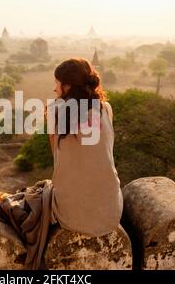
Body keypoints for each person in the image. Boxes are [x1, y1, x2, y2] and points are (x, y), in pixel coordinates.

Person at [49, 58, 123, 237]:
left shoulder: (54, 112)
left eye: (57, 83)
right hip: (111, 212)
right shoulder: (106, 109)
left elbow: (57, 160)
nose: (54, 88)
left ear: (67, 87)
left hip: (70, 216)